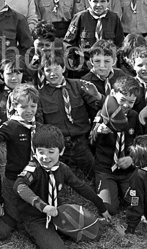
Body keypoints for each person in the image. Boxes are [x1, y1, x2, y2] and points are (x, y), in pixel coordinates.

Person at [14, 125, 111, 249]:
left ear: (61, 151)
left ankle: (52, 230)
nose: (45, 157)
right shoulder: (33, 168)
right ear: (34, 151)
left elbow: (81, 186)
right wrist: (43, 206)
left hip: (57, 212)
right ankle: (32, 231)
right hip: (35, 216)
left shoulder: (62, 168)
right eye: (40, 151)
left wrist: (101, 206)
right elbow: (19, 186)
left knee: (94, 231)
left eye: (50, 152)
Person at [36, 50, 103, 180]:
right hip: (57, 145)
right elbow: (39, 123)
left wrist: (99, 97)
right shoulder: (40, 94)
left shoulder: (78, 85)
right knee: (49, 179)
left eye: (56, 69)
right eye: (48, 70)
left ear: (63, 68)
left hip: (80, 142)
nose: (52, 74)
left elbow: (101, 107)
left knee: (95, 174)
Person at [0, 83, 40, 224]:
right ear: (15, 106)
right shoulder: (11, 126)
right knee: (15, 219)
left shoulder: (36, 125)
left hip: (34, 175)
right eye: (24, 107)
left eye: (33, 106)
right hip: (14, 176)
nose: (29, 111)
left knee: (33, 211)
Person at [90, 76, 140, 214]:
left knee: (136, 203)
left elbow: (139, 142)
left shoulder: (134, 116)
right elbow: (91, 142)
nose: (125, 105)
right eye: (122, 100)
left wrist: (132, 159)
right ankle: (110, 190)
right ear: (112, 94)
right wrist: (98, 131)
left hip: (127, 171)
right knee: (109, 208)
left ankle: (124, 193)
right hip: (105, 170)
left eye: (131, 102)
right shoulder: (102, 115)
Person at [64, 0, 124, 72]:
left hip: (106, 67)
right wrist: (76, 62)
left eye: (102, 1)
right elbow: (68, 43)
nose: (99, 5)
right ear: (89, 1)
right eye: (95, 1)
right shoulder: (80, 17)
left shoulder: (114, 18)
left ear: (108, 1)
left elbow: (119, 43)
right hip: (84, 67)